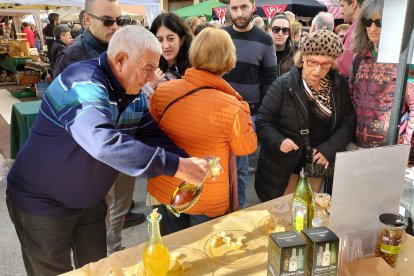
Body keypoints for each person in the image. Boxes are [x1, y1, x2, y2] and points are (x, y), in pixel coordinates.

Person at [6, 25, 210, 276]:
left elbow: (152, 135)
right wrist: (176, 166)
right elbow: (102, 141)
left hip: (90, 202)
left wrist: (189, 162)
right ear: (121, 59)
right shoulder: (82, 82)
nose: (150, 79)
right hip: (41, 202)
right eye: (147, 68)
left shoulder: (133, 94)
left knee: (96, 268)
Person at [53, 0, 144, 256]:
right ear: (86, 20)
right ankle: (101, 258)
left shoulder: (122, 49)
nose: (115, 27)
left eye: (120, 21)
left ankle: (113, 252)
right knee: (93, 214)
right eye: (108, 21)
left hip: (122, 144)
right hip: (90, 152)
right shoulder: (72, 56)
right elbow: (61, 108)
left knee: (119, 206)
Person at [148, 27, 257, 235]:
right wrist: (244, 109)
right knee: (204, 256)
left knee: (171, 248)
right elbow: (246, 148)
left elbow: (151, 131)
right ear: (228, 60)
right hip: (207, 193)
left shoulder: (162, 91)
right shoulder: (233, 105)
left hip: (167, 185)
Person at [255, 29, 356, 201]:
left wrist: (330, 148)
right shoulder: (284, 85)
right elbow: (264, 121)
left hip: (318, 162)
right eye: (312, 62)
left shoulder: (338, 86)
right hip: (287, 163)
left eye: (325, 64)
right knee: (285, 209)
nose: (317, 70)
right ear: (302, 58)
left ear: (333, 63)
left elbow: (348, 121)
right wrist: (278, 140)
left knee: (310, 207)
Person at [223, 0, 277, 208]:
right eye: (234, 8)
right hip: (220, 111)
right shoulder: (222, 35)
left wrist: (262, 113)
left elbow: (270, 79)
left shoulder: (264, 39)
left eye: (243, 7)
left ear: (253, 6)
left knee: (240, 167)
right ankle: (219, 209)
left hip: (249, 113)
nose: (239, 12)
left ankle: (237, 209)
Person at [349, 0, 414, 149]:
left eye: (380, 22)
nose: (373, 28)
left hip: (390, 147)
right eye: (368, 21)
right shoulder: (359, 59)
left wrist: (405, 146)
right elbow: (351, 98)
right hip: (358, 145)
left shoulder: (404, 59)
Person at [143, 12, 192, 101]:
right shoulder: (146, 70)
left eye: (171, 39)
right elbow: (136, 107)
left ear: (182, 39)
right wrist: (148, 87)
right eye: (160, 40)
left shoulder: (195, 67)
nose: (165, 46)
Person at [337, 0, 365, 79]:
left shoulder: (358, 27)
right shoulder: (360, 25)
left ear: (353, 4)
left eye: (342, 6)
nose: (340, 11)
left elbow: (345, 69)